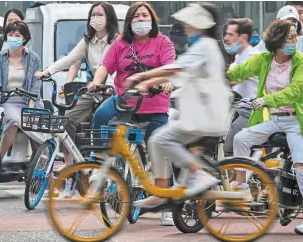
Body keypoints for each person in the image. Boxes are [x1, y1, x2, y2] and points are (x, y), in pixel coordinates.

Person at [124, 2, 223, 209]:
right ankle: (162, 189)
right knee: (159, 139)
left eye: (190, 21)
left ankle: (198, 174)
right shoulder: (205, 45)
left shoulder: (204, 46)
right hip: (200, 112)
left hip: (203, 115)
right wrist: (146, 83)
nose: (186, 25)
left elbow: (175, 68)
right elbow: (179, 73)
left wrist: (142, 76)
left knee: (161, 139)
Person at [88, 1, 176, 226]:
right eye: (136, 17)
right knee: (100, 115)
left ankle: (166, 202)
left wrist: (166, 83)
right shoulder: (120, 43)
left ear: (152, 19)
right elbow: (105, 67)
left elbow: (169, 69)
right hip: (124, 103)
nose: (140, 20)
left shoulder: (163, 42)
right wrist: (96, 83)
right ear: (128, 22)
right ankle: (98, 166)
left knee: (160, 150)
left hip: (154, 107)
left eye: (144, 16)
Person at [35, 2, 120, 198]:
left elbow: (121, 68)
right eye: (93, 14)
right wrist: (47, 71)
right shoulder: (87, 42)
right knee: (68, 121)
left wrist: (112, 85)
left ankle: (107, 171)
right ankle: (79, 166)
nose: (96, 18)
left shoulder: (117, 41)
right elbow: (69, 59)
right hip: (92, 91)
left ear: (109, 19)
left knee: (107, 129)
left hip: (113, 91)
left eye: (100, 15)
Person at [226, 19, 303, 235]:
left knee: (300, 165)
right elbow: (238, 72)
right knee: (241, 138)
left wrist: (267, 101)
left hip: (296, 121)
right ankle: (241, 189)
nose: (294, 41)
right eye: (290, 37)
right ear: (277, 40)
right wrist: (223, 72)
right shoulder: (264, 59)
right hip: (275, 119)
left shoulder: (300, 61)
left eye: (295, 36)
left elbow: (296, 91)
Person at [0, 21, 58, 195]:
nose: (13, 38)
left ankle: (48, 180)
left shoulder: (33, 58)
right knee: (14, 121)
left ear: (24, 39)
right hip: (7, 100)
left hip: (30, 101)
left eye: (18, 35)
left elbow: (34, 86)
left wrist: (31, 106)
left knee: (39, 132)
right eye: (11, 34)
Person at [223, 18, 259, 157]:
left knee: (225, 144)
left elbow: (231, 80)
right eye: (226, 34)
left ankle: (234, 176)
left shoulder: (252, 56)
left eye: (231, 34)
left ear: (243, 37)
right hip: (237, 109)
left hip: (249, 110)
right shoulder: (239, 57)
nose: (225, 38)